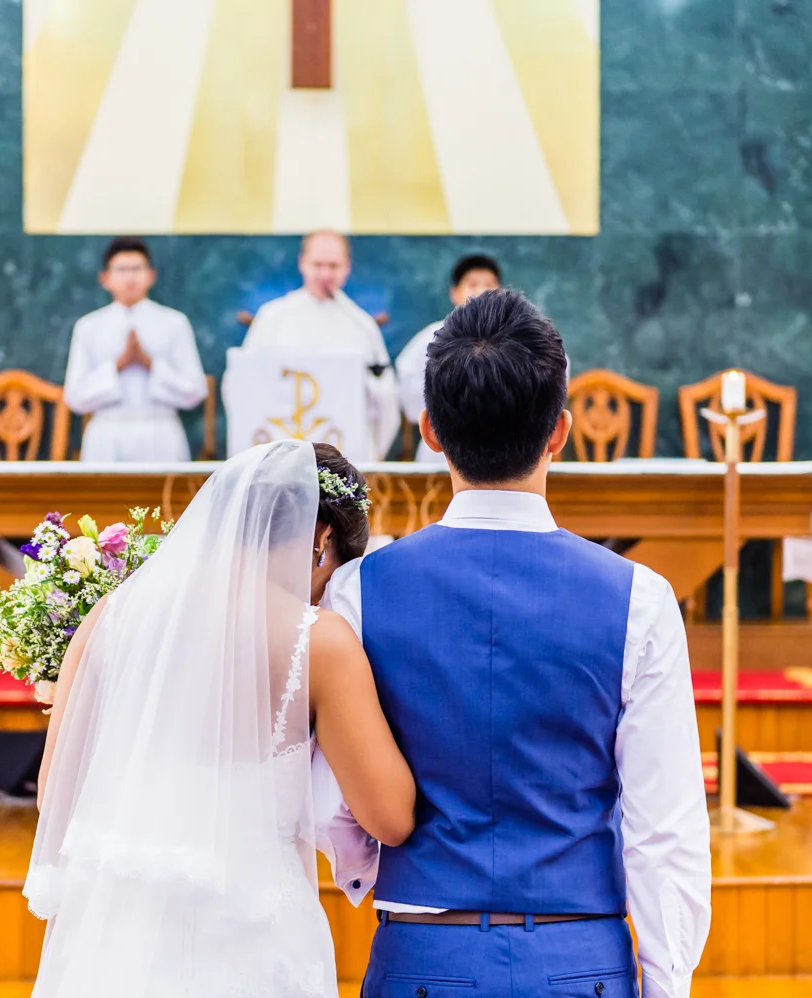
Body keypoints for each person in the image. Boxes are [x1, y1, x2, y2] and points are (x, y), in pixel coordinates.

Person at [322, 289, 712, 998]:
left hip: (421, 957)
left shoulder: (357, 592)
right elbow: (665, 831)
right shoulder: (640, 599)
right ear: (559, 431)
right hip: (580, 958)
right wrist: (666, 984)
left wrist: (370, 871)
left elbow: (336, 804)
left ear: (430, 430)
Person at [25, 439, 414, 997]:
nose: (322, 596)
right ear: (321, 538)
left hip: (117, 938)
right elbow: (391, 818)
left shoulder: (111, 617)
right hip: (250, 938)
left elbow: (54, 793)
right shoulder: (318, 642)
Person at [241, 230, 400, 458]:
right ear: (302, 263)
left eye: (334, 266)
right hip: (282, 451)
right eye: (317, 265)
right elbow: (244, 383)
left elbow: (385, 394)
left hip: (345, 450)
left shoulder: (361, 325)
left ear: (347, 266)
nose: (325, 274)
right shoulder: (272, 317)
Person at [63, 237, 208, 462]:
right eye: (121, 270)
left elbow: (196, 391)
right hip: (106, 435)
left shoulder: (174, 323)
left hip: (161, 432)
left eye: (137, 269)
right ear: (105, 278)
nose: (130, 277)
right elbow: (75, 397)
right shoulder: (88, 326)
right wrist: (118, 365)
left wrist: (150, 364)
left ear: (151, 275)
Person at [394, 254, 503, 466]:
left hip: (502, 440)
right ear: (455, 293)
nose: (481, 291)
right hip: (444, 439)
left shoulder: (515, 334)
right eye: (472, 284)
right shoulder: (433, 336)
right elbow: (408, 379)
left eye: (489, 284)